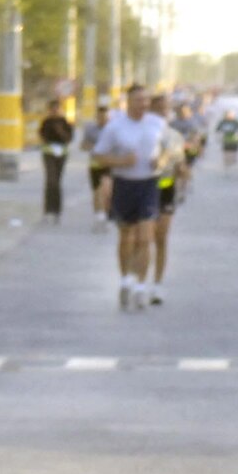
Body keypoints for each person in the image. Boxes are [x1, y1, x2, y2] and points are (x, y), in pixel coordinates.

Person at [90, 82, 169, 310]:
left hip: (149, 184)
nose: (142, 104)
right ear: (128, 102)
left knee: (145, 238)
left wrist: (161, 160)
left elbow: (170, 148)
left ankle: (140, 287)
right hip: (124, 184)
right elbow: (98, 156)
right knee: (127, 237)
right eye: (138, 100)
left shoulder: (157, 123)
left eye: (145, 100)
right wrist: (121, 162)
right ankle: (125, 279)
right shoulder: (115, 127)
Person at [146, 93, 188, 304]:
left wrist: (183, 176)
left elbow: (180, 165)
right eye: (158, 108)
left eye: (165, 109)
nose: (163, 112)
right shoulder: (142, 133)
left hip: (166, 188)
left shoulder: (175, 136)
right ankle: (139, 281)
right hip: (144, 188)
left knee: (161, 237)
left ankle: (157, 286)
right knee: (144, 238)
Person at [37, 98, 74, 223]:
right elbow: (42, 136)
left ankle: (57, 210)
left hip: (61, 154)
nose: (54, 111)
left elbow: (69, 138)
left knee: (57, 182)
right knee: (50, 180)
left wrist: (60, 131)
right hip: (49, 153)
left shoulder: (64, 122)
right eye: (52, 109)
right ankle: (48, 210)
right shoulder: (46, 122)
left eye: (56, 108)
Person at [79, 101, 112, 231]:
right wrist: (94, 147)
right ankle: (99, 215)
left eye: (104, 117)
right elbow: (83, 146)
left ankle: (107, 214)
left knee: (107, 190)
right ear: (96, 117)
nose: (102, 119)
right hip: (95, 164)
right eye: (99, 117)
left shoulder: (113, 129)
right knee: (97, 191)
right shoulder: (90, 129)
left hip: (110, 163)